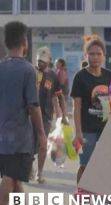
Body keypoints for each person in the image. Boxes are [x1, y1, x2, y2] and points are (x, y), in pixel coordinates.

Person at [0, 21, 46, 205]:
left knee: (15, 178)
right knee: (10, 179)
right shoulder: (28, 70)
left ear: (6, 42)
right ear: (24, 42)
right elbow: (33, 106)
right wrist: (43, 134)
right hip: (18, 138)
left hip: (2, 137)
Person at [70, 35, 111, 193]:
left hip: (106, 129)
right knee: (85, 165)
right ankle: (81, 197)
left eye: (98, 53)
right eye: (92, 53)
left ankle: (104, 198)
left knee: (106, 165)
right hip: (87, 129)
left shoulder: (109, 76)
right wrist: (78, 132)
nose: (95, 57)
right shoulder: (80, 77)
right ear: (86, 55)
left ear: (104, 56)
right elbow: (76, 107)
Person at [32, 47, 68, 184]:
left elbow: (59, 96)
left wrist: (63, 115)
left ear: (48, 62)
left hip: (45, 117)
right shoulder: (30, 72)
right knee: (29, 144)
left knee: (42, 144)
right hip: (28, 115)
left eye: (42, 61)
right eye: (38, 61)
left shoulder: (53, 76)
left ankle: (39, 173)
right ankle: (29, 167)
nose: (40, 64)